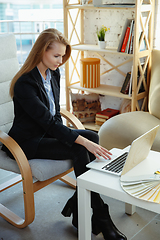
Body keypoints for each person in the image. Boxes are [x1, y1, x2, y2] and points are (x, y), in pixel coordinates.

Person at [2, 28, 127, 240]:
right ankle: (101, 216)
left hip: (47, 133)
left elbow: (55, 115)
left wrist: (78, 137)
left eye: (62, 56)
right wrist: (80, 141)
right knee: (82, 147)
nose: (61, 61)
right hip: (27, 142)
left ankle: (78, 206)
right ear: (41, 51)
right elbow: (48, 122)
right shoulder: (25, 84)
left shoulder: (53, 73)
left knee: (93, 137)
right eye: (56, 56)